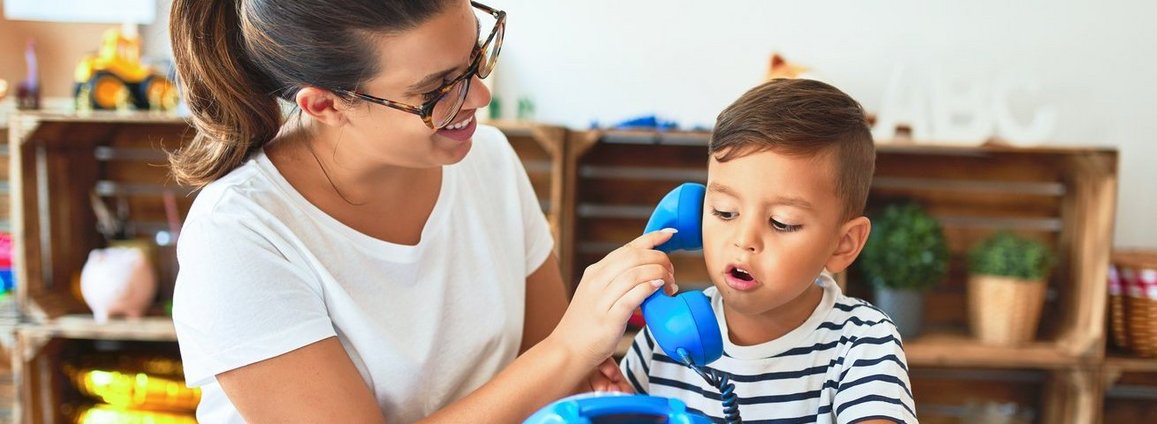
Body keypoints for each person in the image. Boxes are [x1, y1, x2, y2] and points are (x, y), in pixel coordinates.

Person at [168, 1, 675, 422]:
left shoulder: (490, 159)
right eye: (438, 89)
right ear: (326, 105)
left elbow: (548, 377)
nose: (479, 95)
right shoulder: (240, 236)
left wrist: (579, 372)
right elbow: (554, 355)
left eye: (477, 55)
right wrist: (567, 351)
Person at [621, 78, 917, 423]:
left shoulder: (863, 340)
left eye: (782, 222)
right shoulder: (664, 340)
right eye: (724, 212)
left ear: (843, 243)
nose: (745, 239)